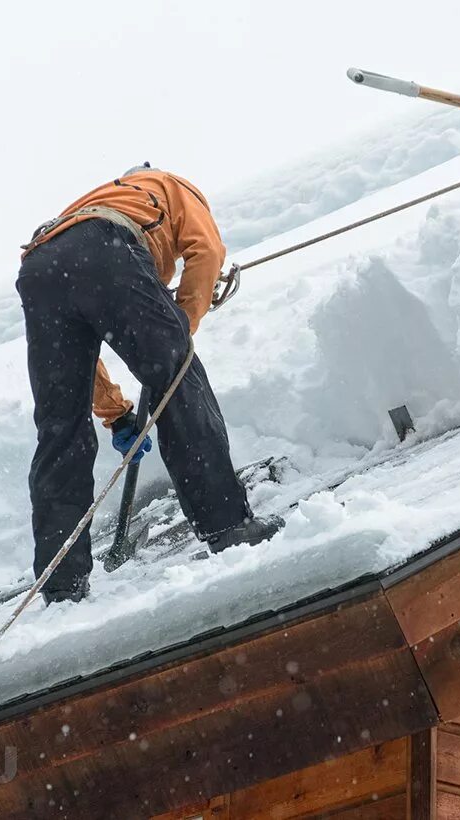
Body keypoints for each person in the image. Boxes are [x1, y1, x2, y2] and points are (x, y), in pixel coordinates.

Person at [16, 163, 282, 604]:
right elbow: (208, 252)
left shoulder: (88, 206)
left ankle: (61, 585)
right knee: (177, 378)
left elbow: (83, 354)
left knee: (60, 428)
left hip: (40, 268)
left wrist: (116, 414)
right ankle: (227, 525)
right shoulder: (173, 186)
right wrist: (179, 330)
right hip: (106, 247)